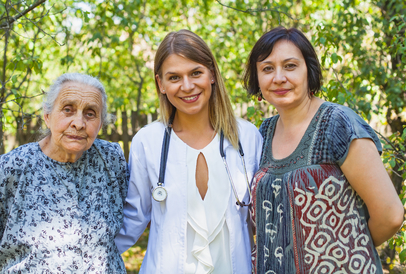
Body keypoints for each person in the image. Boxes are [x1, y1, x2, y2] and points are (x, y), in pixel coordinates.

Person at [243, 26, 404, 273]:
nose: (278, 77)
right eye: (267, 68)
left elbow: (390, 215)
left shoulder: (337, 123)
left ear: (309, 70)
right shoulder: (262, 133)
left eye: (290, 66)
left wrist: (339, 254)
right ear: (257, 79)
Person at [115, 29, 263, 273]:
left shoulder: (247, 137)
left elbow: (262, 218)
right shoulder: (148, 141)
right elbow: (133, 218)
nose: (187, 86)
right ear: (160, 84)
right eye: (174, 77)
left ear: (212, 75)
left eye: (196, 73)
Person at [0, 73, 129, 273]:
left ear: (100, 123)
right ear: (47, 116)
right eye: (68, 110)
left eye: (90, 113)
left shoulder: (110, 158)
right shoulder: (10, 168)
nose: (79, 123)